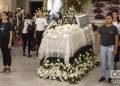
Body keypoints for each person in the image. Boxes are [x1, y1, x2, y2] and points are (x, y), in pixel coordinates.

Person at [97, 14, 118, 83]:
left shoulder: (115, 28)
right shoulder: (101, 28)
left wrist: (115, 49)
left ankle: (111, 77)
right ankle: (103, 76)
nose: (108, 20)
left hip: (111, 47)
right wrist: (98, 47)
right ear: (105, 19)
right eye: (107, 18)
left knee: (111, 63)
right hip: (103, 47)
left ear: (111, 19)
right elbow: (99, 38)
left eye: (109, 18)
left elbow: (116, 39)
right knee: (103, 63)